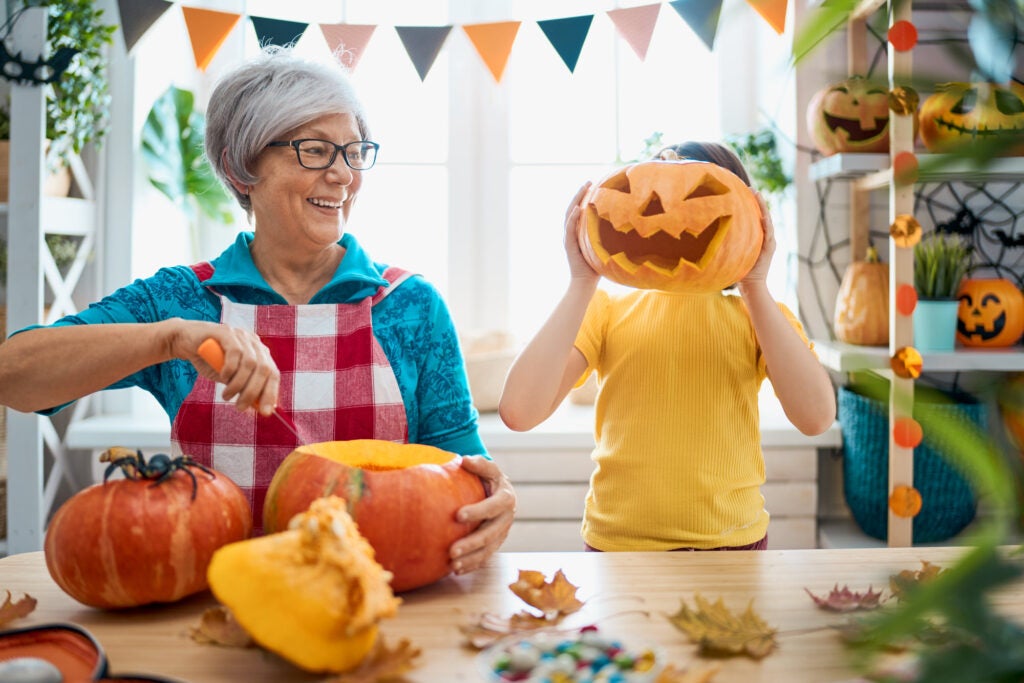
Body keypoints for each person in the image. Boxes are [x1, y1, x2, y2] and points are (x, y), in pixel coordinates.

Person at [0, 46, 515, 575]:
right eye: (315, 150)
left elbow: (463, 471)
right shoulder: (181, 302)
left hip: (375, 598)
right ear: (240, 167)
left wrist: (494, 497)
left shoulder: (410, 307)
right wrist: (168, 338)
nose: (343, 175)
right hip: (216, 603)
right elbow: (15, 375)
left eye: (354, 152)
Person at [499, 141, 835, 552]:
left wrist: (755, 285)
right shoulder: (603, 310)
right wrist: (581, 281)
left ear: (748, 215)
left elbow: (816, 417)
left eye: (695, 191)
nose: (660, 204)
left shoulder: (760, 316)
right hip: (618, 546)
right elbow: (519, 410)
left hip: (732, 544)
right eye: (645, 180)